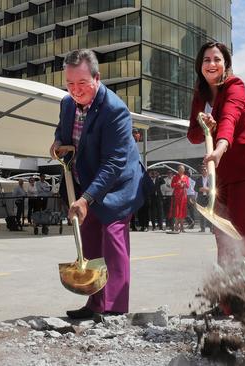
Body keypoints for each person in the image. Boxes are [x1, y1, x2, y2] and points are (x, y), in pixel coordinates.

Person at [50, 49, 147, 320]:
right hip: (87, 178)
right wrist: (58, 144)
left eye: (82, 83)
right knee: (89, 237)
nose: (75, 90)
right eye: (69, 84)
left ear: (97, 77)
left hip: (119, 183)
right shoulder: (67, 104)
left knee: (113, 235)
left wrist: (86, 199)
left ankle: (115, 310)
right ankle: (95, 304)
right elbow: (62, 131)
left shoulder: (115, 110)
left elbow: (114, 163)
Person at [187, 41, 245, 266]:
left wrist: (219, 147)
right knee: (222, 236)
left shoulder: (235, 86)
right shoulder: (200, 95)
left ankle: (244, 297)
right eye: (206, 60)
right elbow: (193, 135)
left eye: (217, 59)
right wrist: (205, 127)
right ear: (200, 65)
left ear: (226, 64)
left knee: (242, 234)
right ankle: (224, 297)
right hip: (221, 173)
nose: (211, 64)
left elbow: (229, 121)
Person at [169, 165, 189, 233]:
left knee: (182, 212)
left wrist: (184, 184)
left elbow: (188, 185)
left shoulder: (186, 177)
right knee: (177, 211)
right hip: (177, 196)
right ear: (178, 170)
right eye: (180, 169)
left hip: (183, 196)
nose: (181, 171)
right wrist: (178, 184)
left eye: (182, 169)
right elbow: (172, 185)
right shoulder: (175, 177)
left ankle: (181, 227)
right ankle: (177, 226)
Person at [194, 165, 212, 232]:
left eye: (205, 169)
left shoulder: (211, 179)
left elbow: (215, 187)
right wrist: (199, 189)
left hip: (208, 197)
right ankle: (202, 228)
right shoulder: (198, 179)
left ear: (207, 171)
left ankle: (211, 228)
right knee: (202, 213)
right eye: (202, 170)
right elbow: (195, 188)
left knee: (210, 213)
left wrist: (208, 189)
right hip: (201, 198)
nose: (204, 171)